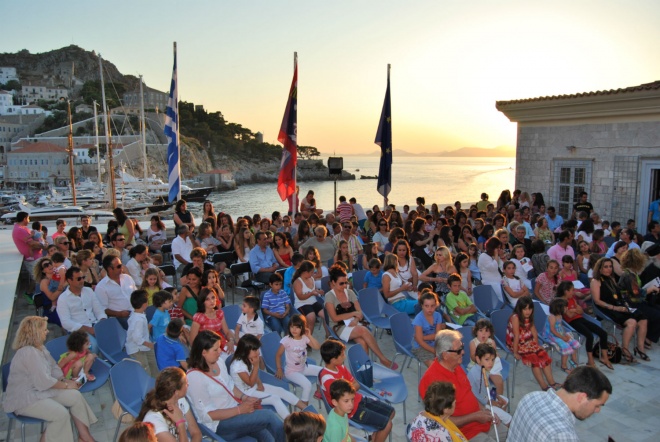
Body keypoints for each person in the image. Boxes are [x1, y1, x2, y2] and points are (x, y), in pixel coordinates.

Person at [3, 316, 97, 442]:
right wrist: (66, 386)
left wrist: (65, 381)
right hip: (25, 399)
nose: (47, 332)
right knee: (61, 414)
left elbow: (54, 368)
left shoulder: (40, 348)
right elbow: (44, 382)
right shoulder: (28, 353)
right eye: (44, 330)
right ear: (35, 333)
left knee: (75, 396)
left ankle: (84, 437)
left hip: (40, 390)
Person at [186, 330, 284, 441]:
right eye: (216, 349)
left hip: (235, 411)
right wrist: (240, 410)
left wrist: (245, 398)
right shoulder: (194, 377)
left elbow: (230, 386)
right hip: (220, 424)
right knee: (269, 416)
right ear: (203, 352)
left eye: (219, 347)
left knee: (266, 435)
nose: (220, 351)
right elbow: (207, 416)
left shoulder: (219, 362)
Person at [419, 330, 508, 441]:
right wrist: (475, 417)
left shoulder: (456, 366)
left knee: (512, 435)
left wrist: (486, 412)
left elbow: (469, 394)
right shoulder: (432, 382)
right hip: (464, 433)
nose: (463, 352)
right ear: (445, 355)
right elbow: (442, 420)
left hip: (481, 422)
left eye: (462, 347)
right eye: (458, 350)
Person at [508, 366, 612, 442]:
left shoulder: (531, 397)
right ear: (582, 397)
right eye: (597, 405)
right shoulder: (563, 435)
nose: (598, 410)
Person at [319, 339, 394, 442]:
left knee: (391, 412)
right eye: (342, 355)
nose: (344, 357)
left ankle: (373, 438)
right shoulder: (327, 379)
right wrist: (352, 388)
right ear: (333, 360)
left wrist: (351, 390)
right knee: (387, 424)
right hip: (352, 410)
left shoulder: (340, 366)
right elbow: (348, 392)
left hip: (358, 399)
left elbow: (355, 384)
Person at [324, 264, 396, 368]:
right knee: (363, 330)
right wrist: (353, 314)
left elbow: (360, 312)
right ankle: (382, 359)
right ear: (333, 282)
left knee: (363, 342)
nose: (344, 285)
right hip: (339, 326)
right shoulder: (329, 296)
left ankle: (364, 368)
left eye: (346, 282)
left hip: (354, 323)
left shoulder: (350, 292)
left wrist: (356, 319)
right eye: (341, 283)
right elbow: (335, 318)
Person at [230, 334, 305, 419]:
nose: (258, 352)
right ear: (245, 351)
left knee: (281, 391)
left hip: (253, 387)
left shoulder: (249, 358)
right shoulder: (238, 365)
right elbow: (250, 383)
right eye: (255, 350)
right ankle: (291, 422)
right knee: (275, 399)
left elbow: (252, 374)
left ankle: (305, 409)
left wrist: (259, 383)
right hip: (245, 394)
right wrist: (256, 366)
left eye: (258, 349)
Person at [591, 257, 649, 362]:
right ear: (599, 269)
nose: (609, 269)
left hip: (618, 305)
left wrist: (625, 305)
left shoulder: (611, 279)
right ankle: (625, 350)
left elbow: (618, 295)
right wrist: (615, 308)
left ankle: (640, 347)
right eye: (605, 267)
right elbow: (597, 301)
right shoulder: (595, 281)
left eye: (610, 266)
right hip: (606, 308)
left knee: (643, 319)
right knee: (631, 322)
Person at [506, 296, 559, 390]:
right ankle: (543, 386)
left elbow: (534, 331)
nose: (528, 311)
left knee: (543, 355)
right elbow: (516, 335)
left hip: (528, 341)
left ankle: (552, 383)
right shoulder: (515, 317)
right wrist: (515, 352)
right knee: (535, 360)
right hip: (516, 344)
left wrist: (537, 345)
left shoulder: (529, 317)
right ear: (520, 309)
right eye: (525, 309)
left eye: (530, 309)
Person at [555, 281, 612, 369]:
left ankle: (605, 358)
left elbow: (581, 311)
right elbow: (569, 316)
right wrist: (575, 310)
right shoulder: (561, 302)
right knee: (589, 336)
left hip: (581, 319)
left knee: (603, 333)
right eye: (572, 290)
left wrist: (573, 311)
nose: (573, 292)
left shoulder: (572, 299)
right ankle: (590, 360)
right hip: (572, 323)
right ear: (566, 291)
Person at [137, 367, 203, 442]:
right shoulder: (155, 420)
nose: (188, 384)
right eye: (186, 382)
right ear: (176, 392)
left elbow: (196, 433)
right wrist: (181, 424)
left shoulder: (180, 400)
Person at [275, 314, 323, 406]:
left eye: (297, 327)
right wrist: (279, 369)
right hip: (291, 372)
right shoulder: (286, 340)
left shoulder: (304, 337)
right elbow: (278, 355)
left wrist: (309, 336)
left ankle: (318, 392)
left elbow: (317, 347)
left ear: (302, 328)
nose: (294, 330)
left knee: (322, 371)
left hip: (303, 367)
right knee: (307, 385)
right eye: (292, 327)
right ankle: (304, 409)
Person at [467, 344, 512, 426]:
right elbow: (480, 397)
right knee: (509, 419)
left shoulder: (483, 369)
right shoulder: (478, 376)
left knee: (505, 401)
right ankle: (499, 420)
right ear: (478, 359)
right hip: (480, 404)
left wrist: (497, 397)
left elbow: (488, 388)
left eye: (492, 360)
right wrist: (493, 402)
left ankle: (496, 421)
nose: (491, 363)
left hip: (486, 397)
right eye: (487, 359)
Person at [189, 288, 234, 356]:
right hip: (207, 347)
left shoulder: (219, 313)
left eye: (213, 297)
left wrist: (231, 341)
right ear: (202, 301)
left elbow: (227, 332)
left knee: (237, 354)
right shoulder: (199, 317)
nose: (212, 301)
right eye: (207, 299)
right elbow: (192, 341)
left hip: (221, 342)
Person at [95, 255, 136, 329]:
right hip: (119, 319)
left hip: (135, 313)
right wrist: (119, 314)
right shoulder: (101, 287)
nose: (122, 268)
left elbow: (136, 295)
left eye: (121, 265)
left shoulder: (127, 278)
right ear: (110, 269)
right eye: (119, 266)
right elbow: (103, 309)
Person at [542, 298, 580, 374]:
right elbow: (552, 330)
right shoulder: (552, 317)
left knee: (574, 343)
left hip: (560, 334)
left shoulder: (560, 316)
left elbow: (561, 326)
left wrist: (565, 335)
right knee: (566, 346)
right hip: (551, 335)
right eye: (565, 307)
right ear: (559, 308)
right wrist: (562, 337)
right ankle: (564, 366)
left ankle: (574, 361)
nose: (567, 308)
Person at [469, 319, 504, 396]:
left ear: (490, 333)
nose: (483, 333)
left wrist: (495, 354)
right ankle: (483, 399)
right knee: (481, 384)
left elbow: (494, 354)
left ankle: (499, 398)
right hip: (477, 366)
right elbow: (473, 357)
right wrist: (481, 355)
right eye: (481, 330)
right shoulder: (473, 343)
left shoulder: (491, 342)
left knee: (499, 382)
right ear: (476, 332)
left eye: (486, 331)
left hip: (491, 365)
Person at [127, 290, 158, 376]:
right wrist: (149, 344)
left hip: (144, 346)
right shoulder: (138, 320)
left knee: (153, 364)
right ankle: (148, 382)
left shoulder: (138, 314)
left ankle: (155, 380)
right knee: (145, 368)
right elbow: (137, 338)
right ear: (144, 304)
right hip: (137, 349)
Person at [412, 290, 446, 366]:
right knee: (434, 366)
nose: (430, 309)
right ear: (422, 306)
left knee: (449, 360)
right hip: (420, 347)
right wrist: (434, 351)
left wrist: (422, 337)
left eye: (432, 306)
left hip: (435, 343)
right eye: (426, 306)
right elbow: (420, 342)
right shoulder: (418, 319)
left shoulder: (438, 315)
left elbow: (437, 336)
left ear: (436, 305)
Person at [292, 260, 326, 333]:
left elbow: (314, 290)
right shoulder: (297, 282)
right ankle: (309, 338)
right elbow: (300, 297)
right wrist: (311, 293)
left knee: (326, 315)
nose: (313, 274)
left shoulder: (312, 278)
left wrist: (318, 291)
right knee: (311, 317)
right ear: (305, 272)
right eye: (311, 272)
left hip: (313, 302)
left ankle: (328, 335)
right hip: (302, 304)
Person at [478, 237, 505, 302]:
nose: (499, 249)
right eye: (497, 248)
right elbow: (493, 268)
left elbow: (503, 268)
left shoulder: (495, 257)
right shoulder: (483, 256)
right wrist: (496, 255)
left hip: (499, 281)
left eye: (500, 248)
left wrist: (501, 256)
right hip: (490, 283)